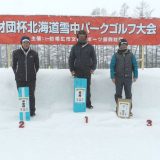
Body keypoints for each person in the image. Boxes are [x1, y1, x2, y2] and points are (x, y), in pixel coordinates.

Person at [69, 30, 97, 109]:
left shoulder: (90, 47)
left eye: (83, 35)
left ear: (85, 37)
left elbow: (94, 59)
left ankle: (88, 104)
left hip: (87, 71)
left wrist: (93, 68)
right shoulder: (74, 47)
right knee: (78, 88)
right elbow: (71, 59)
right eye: (80, 35)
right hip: (77, 71)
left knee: (87, 88)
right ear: (78, 37)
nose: (81, 37)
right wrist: (72, 70)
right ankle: (79, 104)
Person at [12, 36, 39, 116]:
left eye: (27, 42)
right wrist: (17, 74)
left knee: (31, 95)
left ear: (29, 43)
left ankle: (32, 112)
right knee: (22, 96)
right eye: (24, 42)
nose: (26, 44)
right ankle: (24, 111)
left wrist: (32, 74)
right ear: (21, 43)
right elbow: (14, 66)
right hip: (20, 79)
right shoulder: (16, 53)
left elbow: (37, 66)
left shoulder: (34, 53)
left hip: (31, 79)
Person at [110, 39, 138, 115]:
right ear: (119, 45)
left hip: (128, 78)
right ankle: (118, 108)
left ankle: (129, 109)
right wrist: (112, 76)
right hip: (118, 78)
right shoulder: (115, 55)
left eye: (125, 45)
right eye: (122, 45)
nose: (123, 46)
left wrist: (135, 75)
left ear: (127, 45)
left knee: (128, 94)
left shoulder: (131, 55)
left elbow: (135, 65)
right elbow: (112, 66)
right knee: (118, 94)